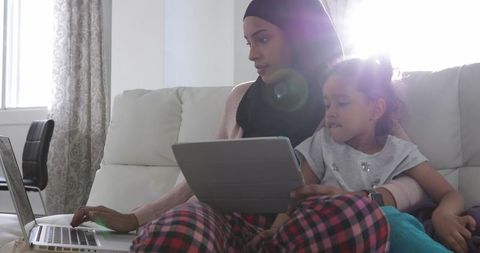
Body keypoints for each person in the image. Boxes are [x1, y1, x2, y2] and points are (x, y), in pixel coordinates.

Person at [71, 0, 425, 251]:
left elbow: (413, 173)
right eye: (248, 42)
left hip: (301, 226)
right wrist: (135, 218)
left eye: (263, 39)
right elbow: (198, 181)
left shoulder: (348, 97)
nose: (252, 54)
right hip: (230, 220)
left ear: (299, 36)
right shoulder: (240, 98)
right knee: (180, 230)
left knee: (356, 216)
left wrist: (372, 197)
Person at [293, 58, 477, 253]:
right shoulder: (321, 144)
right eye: (327, 104)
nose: (330, 113)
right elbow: (295, 196)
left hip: (380, 239)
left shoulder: (399, 151)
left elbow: (449, 194)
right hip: (329, 235)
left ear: (376, 109)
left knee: (388, 218)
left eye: (342, 103)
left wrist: (443, 214)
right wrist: (275, 230)